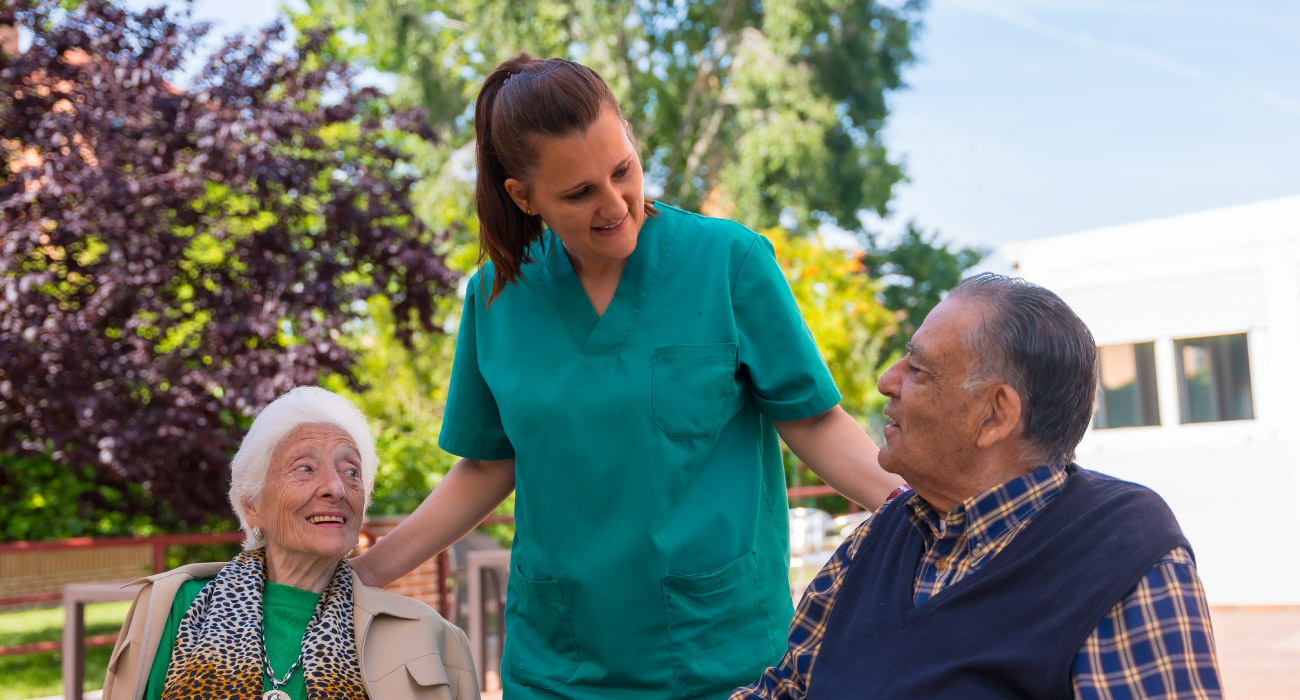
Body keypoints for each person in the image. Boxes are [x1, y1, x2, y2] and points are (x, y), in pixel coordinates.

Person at [347, 53, 904, 699]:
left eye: (623, 171)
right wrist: (362, 576)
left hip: (721, 662)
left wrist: (919, 513)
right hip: (558, 666)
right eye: (579, 193)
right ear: (523, 197)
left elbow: (810, 419)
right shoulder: (494, 300)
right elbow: (488, 465)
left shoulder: (729, 262)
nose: (616, 204)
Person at [732, 273, 1223, 700]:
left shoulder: (1123, 549)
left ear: (995, 414)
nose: (887, 381)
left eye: (917, 370)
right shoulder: (877, 539)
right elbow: (784, 690)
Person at [102, 387, 479, 700]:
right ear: (252, 506)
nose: (336, 488)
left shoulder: (429, 634)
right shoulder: (174, 606)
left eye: (352, 472)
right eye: (305, 468)